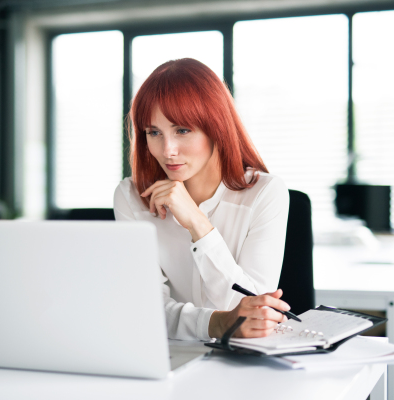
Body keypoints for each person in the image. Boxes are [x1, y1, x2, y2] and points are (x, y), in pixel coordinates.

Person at [113, 58, 290, 341]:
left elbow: (250, 314)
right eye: (154, 132)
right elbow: (145, 310)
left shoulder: (265, 193)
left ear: (216, 127)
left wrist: (197, 223)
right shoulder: (131, 197)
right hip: (165, 357)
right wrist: (216, 324)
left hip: (244, 362)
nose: (167, 150)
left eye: (182, 130)